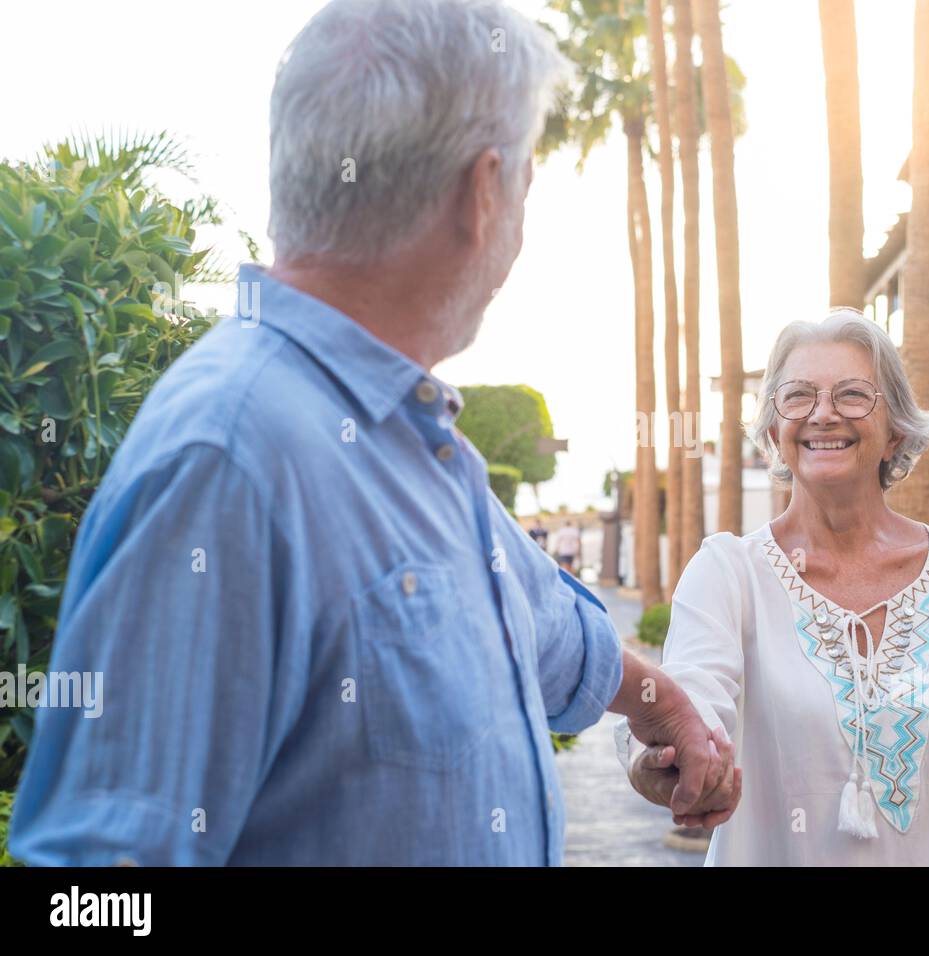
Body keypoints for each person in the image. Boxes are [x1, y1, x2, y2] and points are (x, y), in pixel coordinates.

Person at [9, 0, 738, 866]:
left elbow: (545, 629)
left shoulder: (414, 440)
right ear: (483, 192)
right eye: (528, 186)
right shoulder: (227, 463)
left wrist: (669, 709)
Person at [616, 308, 929, 865]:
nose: (823, 414)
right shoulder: (728, 574)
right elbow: (691, 701)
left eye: (852, 395)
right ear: (775, 430)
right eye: (798, 396)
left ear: (896, 428)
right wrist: (664, 758)